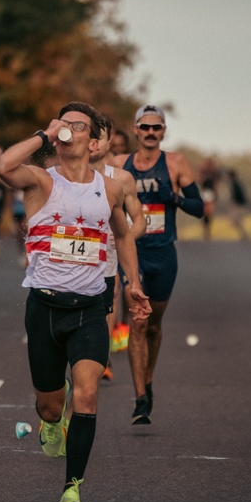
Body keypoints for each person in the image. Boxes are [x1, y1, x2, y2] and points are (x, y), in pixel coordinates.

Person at [0, 100, 150, 502]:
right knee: (51, 405)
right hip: (44, 308)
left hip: (89, 309)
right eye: (63, 125)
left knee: (87, 393)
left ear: (94, 140)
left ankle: (72, 489)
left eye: (76, 126)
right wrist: (43, 134)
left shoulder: (112, 188)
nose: (68, 131)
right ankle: (51, 420)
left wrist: (133, 283)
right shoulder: (40, 181)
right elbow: (2, 164)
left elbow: (123, 235)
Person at [113, 104, 204, 425]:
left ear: (163, 131)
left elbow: (199, 208)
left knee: (153, 324)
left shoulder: (176, 163)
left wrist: (174, 198)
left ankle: (148, 382)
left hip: (164, 254)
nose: (151, 133)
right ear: (135, 131)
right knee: (137, 319)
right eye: (145, 127)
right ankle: (140, 398)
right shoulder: (118, 164)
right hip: (131, 253)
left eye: (157, 127)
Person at [90, 115, 145, 380]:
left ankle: (103, 357)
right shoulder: (60, 175)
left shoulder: (121, 178)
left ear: (109, 140)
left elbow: (140, 222)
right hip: (69, 259)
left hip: (106, 256)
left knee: (108, 301)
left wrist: (121, 239)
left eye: (98, 137)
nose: (92, 143)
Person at [227, 168, 249, 239]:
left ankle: (245, 235)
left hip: (239, 205)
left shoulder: (235, 184)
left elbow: (235, 196)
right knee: (237, 221)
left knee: (237, 220)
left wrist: (233, 204)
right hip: (239, 204)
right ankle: (244, 235)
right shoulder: (236, 184)